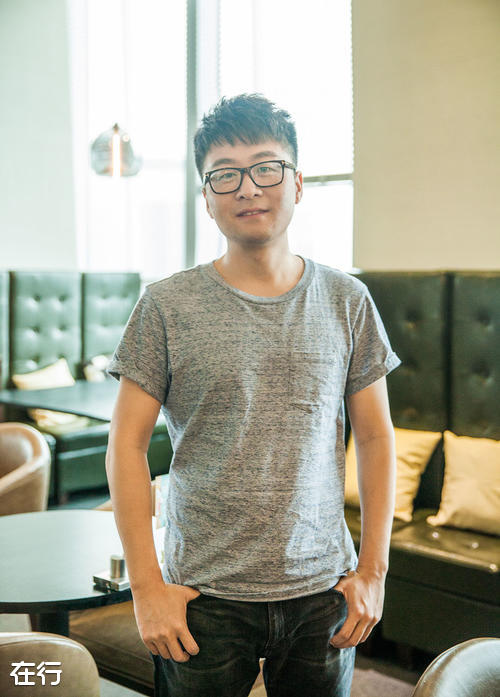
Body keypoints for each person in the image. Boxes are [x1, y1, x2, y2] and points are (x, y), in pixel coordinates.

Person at [105, 93, 401, 697]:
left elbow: (374, 436)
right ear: (207, 196)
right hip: (201, 595)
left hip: (322, 590)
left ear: (298, 183)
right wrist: (147, 588)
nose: (248, 188)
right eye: (225, 175)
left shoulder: (347, 301)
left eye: (267, 168)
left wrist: (374, 570)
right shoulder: (165, 305)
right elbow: (126, 446)